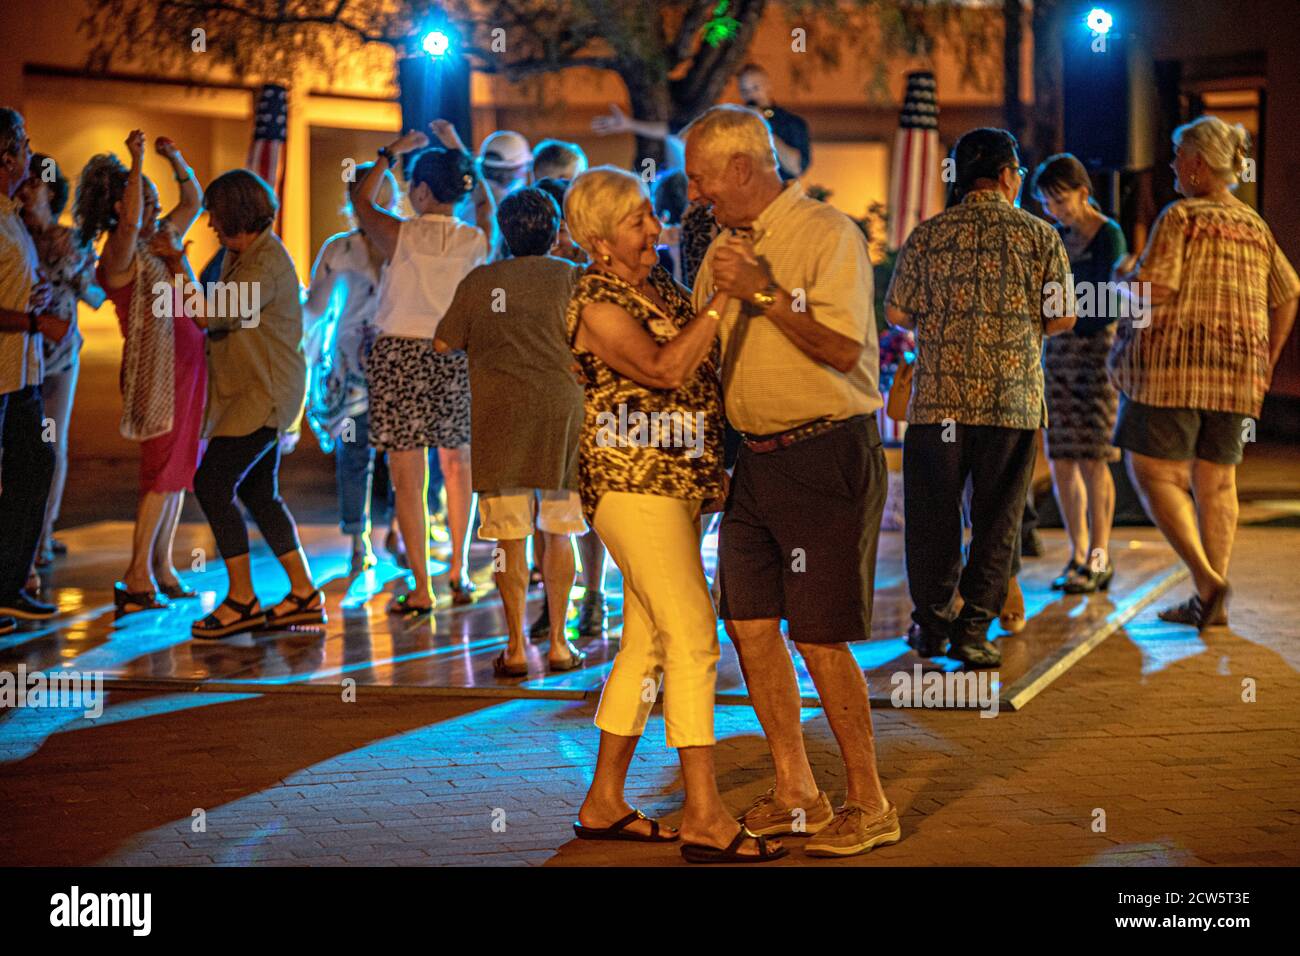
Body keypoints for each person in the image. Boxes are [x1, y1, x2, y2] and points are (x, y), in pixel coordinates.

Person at [686, 104, 897, 857]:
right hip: (756, 460)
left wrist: (762, 293)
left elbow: (843, 350)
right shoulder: (727, 242)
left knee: (820, 634)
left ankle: (869, 800)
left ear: (742, 167)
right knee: (746, 621)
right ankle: (796, 787)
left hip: (825, 452)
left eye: (702, 177)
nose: (695, 192)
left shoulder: (826, 233)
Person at [565, 164, 783, 863]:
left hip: (679, 484)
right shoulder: (593, 300)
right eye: (637, 221)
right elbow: (662, 368)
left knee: (648, 644)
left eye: (651, 216)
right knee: (693, 635)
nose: (654, 228)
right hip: (631, 485)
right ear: (599, 242)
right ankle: (704, 814)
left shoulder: (655, 285)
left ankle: (603, 802)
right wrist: (721, 298)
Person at [887, 127, 1076, 668]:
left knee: (932, 517)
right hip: (1010, 404)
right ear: (1006, 175)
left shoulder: (927, 235)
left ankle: (930, 625)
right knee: (998, 519)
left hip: (937, 405)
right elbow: (1063, 315)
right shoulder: (1040, 236)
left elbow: (897, 313)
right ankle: (973, 631)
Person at [1109, 115, 1299, 630]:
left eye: (1177, 155)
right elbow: (1289, 291)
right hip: (1238, 375)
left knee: (1150, 471)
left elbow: (1159, 289)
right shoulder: (1256, 226)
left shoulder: (1181, 217)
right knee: (1217, 484)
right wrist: (1267, 357)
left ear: (1196, 163)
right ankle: (1205, 602)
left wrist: (1124, 281)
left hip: (1174, 369)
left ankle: (1206, 579)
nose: (1173, 164)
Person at [436, 187, 587, 674]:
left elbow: (443, 341)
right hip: (563, 413)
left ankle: (517, 647)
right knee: (561, 530)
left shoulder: (482, 282)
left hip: (500, 417)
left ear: (503, 230)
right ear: (554, 230)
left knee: (508, 538)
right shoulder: (572, 279)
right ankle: (562, 644)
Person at [356, 121, 495, 615]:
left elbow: (361, 201)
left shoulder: (400, 233)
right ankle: (457, 569)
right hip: (455, 352)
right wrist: (460, 153)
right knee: (458, 467)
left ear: (417, 189)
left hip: (399, 356)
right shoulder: (475, 238)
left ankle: (422, 586)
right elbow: (485, 205)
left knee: (407, 475)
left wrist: (389, 151)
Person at [75, 131, 208, 615]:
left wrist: (174, 157)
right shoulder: (119, 251)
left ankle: (163, 566)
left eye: (153, 196)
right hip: (157, 375)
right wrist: (136, 159)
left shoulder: (159, 239)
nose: (151, 205)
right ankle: (135, 576)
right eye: (141, 195)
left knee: (177, 472)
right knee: (159, 472)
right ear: (118, 204)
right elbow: (129, 220)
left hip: (190, 367)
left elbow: (193, 198)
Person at [188, 168, 323, 638]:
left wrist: (175, 266)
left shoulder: (265, 264)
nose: (208, 224)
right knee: (258, 493)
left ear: (235, 216)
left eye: (214, 215)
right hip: (252, 395)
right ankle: (304, 594)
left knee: (211, 484)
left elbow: (208, 313)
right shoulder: (242, 253)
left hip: (263, 398)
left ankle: (242, 599)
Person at [1031, 152, 1127, 593]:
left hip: (1096, 354)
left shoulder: (1109, 235)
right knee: (1062, 457)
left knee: (1095, 455)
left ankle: (1099, 555)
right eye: (1048, 205)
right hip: (1058, 354)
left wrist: (1065, 310)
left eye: (1060, 202)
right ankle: (1077, 553)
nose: (1055, 212)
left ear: (1083, 194)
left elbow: (1106, 303)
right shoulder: (1052, 235)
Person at [303, 162, 401, 573]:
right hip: (399, 362)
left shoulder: (338, 250)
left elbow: (315, 310)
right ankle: (402, 529)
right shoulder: (407, 243)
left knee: (354, 455)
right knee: (404, 452)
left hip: (350, 367)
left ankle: (360, 541)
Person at [528, 175, 608, 638]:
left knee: (593, 508)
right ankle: (555, 600)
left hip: (588, 400)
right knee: (548, 510)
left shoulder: (590, 269)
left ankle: (593, 595)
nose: (557, 236)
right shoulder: (530, 266)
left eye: (561, 224)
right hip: (546, 399)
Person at [18, 152, 104, 567]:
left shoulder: (70, 240)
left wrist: (71, 261)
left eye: (35, 183)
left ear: (51, 192)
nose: (25, 188)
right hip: (19, 357)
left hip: (60, 361)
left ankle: (43, 535)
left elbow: (96, 296)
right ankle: (20, 535)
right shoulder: (13, 234)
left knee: (52, 443)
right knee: (16, 449)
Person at [0, 106, 61, 626]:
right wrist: (37, 323)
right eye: (22, 143)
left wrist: (35, 293)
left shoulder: (10, 216)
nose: (29, 150)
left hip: (24, 375)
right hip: (2, 375)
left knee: (35, 467)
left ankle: (9, 584)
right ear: (5, 156)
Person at [736, 63, 812, 180]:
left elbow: (796, 168)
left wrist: (764, 128)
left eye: (756, 88)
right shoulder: (734, 125)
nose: (751, 96)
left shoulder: (791, 123)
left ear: (768, 86)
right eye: (744, 91)